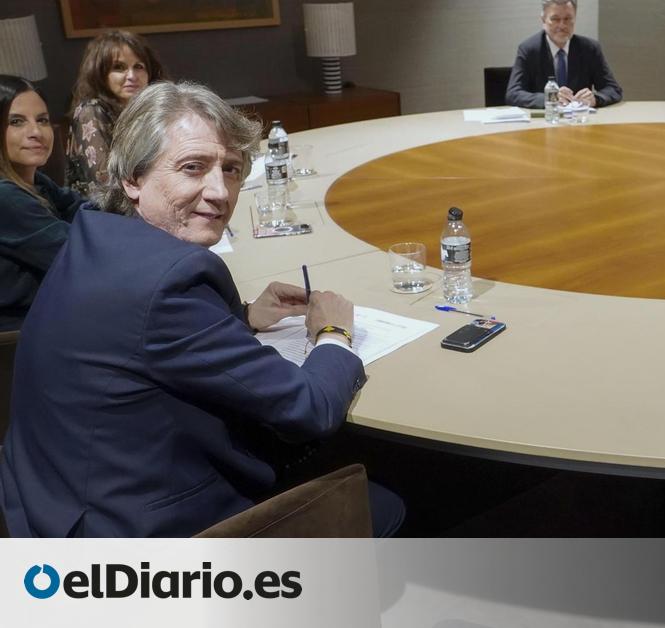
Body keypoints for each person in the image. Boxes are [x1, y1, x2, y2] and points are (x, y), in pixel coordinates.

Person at [0, 81, 404, 537]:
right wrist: (334, 334)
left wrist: (243, 317)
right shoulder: (169, 282)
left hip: (45, 503)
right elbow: (310, 408)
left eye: (231, 170)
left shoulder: (95, 239)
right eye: (193, 168)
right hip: (135, 541)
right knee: (388, 499)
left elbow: (141, 336)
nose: (220, 191)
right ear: (132, 179)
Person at [0, 75, 90, 332]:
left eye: (42, 120)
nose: (36, 133)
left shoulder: (36, 182)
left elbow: (86, 210)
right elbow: (79, 253)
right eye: (16, 122)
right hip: (19, 339)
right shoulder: (5, 196)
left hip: (54, 320)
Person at [65, 30, 167, 198]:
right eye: (119, 67)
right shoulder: (91, 111)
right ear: (100, 74)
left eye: (139, 67)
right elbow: (105, 186)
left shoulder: (154, 112)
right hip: (105, 208)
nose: (132, 76)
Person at [505, 0, 622, 109]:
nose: (562, 25)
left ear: (574, 19)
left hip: (580, 119)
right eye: (555, 19)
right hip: (545, 119)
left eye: (567, 19)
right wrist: (550, 98)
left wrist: (595, 99)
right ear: (543, 20)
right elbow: (513, 94)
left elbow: (613, 89)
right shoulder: (529, 49)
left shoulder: (589, 49)